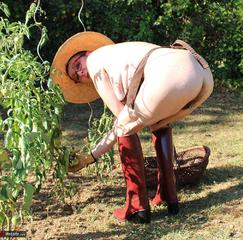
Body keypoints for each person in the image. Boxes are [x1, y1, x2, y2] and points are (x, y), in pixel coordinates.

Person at [51, 31, 214, 224]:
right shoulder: (120, 54)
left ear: (87, 52)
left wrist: (90, 156)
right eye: (76, 76)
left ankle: (137, 207)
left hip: (170, 72)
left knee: (124, 128)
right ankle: (168, 195)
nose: (80, 73)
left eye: (77, 65)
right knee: (159, 124)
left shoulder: (95, 61)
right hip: (201, 74)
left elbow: (122, 121)